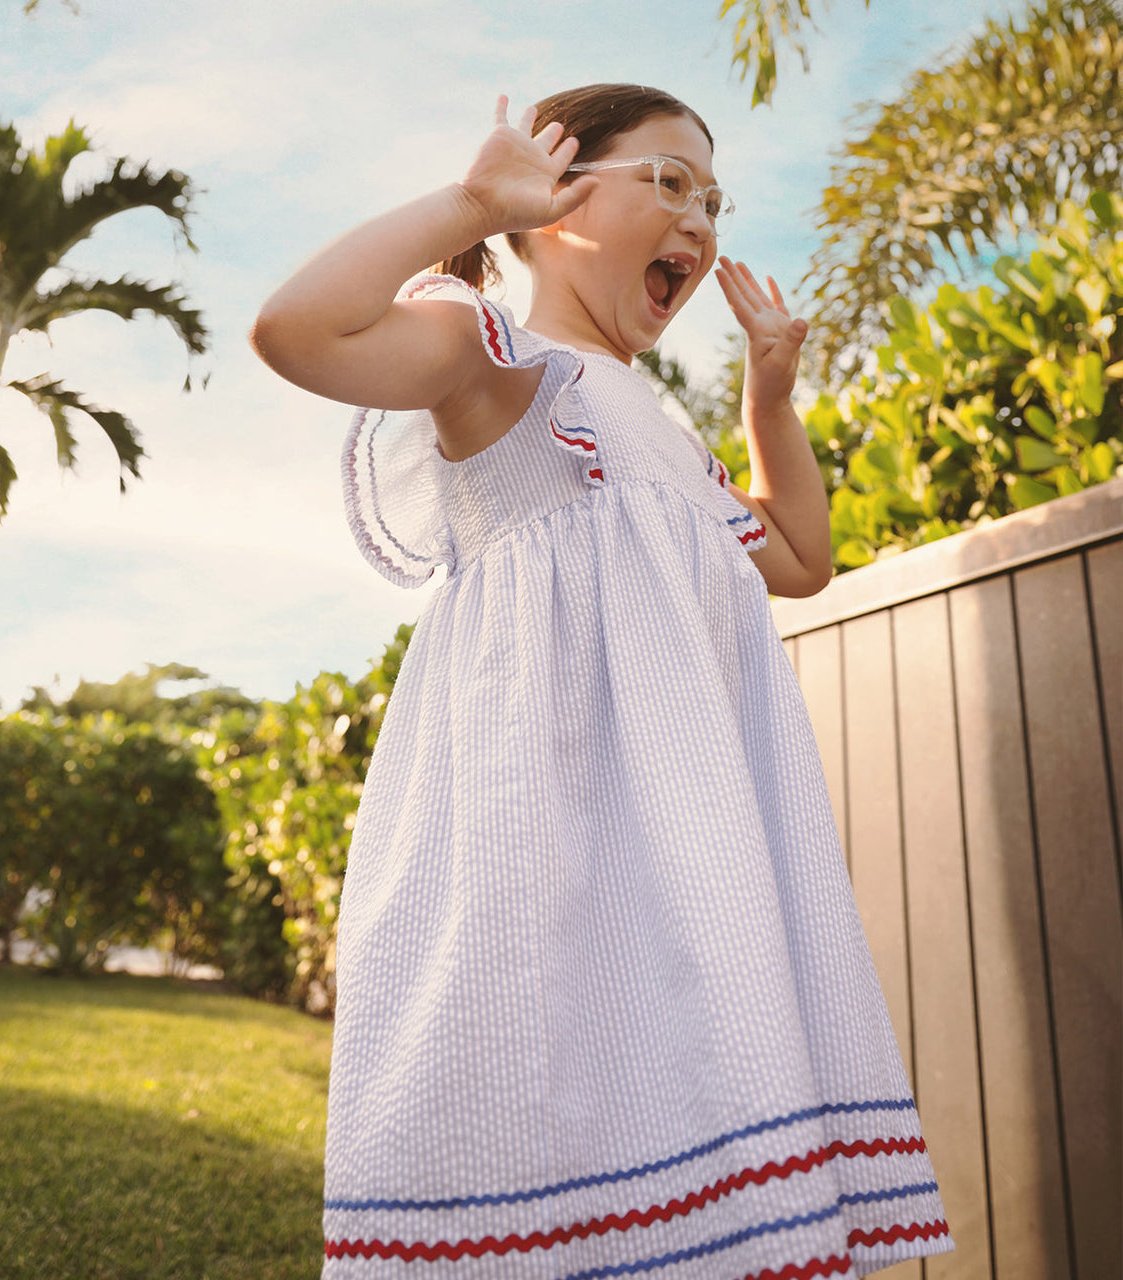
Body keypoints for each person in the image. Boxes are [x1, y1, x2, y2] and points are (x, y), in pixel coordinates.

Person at [252, 83, 955, 1279]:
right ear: (553, 200)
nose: (698, 220)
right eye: (666, 183)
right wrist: (468, 202)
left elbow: (798, 559)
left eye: (712, 200)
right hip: (545, 848)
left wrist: (767, 403)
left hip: (685, 859)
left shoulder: (669, 441)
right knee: (553, 1109)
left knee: (698, 1122)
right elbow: (295, 330)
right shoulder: (498, 360)